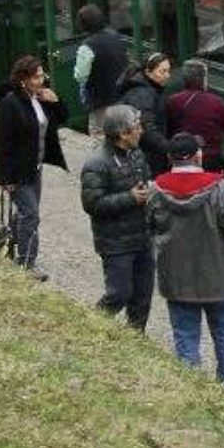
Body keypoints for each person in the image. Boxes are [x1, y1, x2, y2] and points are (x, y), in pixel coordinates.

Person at [149, 133, 224, 386]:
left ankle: (192, 390)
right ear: (198, 155)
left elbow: (148, 226)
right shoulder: (220, 188)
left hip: (175, 276)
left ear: (169, 158)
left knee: (185, 335)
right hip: (219, 275)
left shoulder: (156, 189)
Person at [79, 104, 155, 330]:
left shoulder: (137, 154)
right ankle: (89, 328)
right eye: (136, 127)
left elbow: (145, 182)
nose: (141, 130)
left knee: (142, 299)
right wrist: (130, 198)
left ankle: (136, 341)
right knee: (119, 294)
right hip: (115, 242)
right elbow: (92, 204)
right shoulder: (97, 163)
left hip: (142, 238)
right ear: (123, 134)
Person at [0, 54, 68, 277]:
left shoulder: (40, 97)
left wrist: (56, 101)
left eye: (42, 75)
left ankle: (7, 241)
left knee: (26, 212)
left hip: (35, 166)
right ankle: (26, 263)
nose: (41, 81)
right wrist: (6, 178)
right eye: (35, 77)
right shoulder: (9, 104)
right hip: (17, 171)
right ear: (22, 79)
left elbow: (62, 118)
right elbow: (2, 144)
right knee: (31, 214)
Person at [165, 62, 224, 174]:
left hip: (181, 158)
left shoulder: (172, 101)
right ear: (204, 79)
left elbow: (168, 128)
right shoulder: (217, 102)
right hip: (210, 159)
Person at [72, 4, 130, 142]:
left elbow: (80, 76)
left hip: (100, 101)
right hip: (121, 96)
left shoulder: (87, 46)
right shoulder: (118, 37)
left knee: (99, 136)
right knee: (121, 135)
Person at [116, 52, 172, 175]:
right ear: (148, 72)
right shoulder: (144, 94)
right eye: (162, 72)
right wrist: (168, 148)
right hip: (146, 157)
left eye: (168, 71)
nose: (167, 76)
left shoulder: (146, 90)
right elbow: (146, 128)